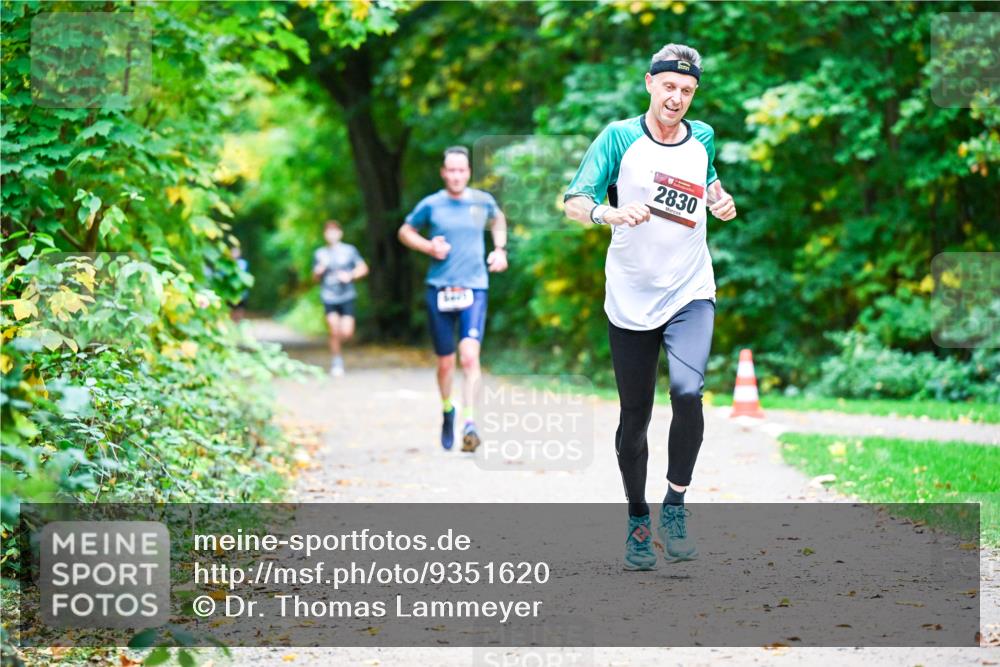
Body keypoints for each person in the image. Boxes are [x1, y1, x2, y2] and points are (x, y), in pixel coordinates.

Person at [563, 43, 738, 570]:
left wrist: (720, 200)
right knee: (634, 416)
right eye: (669, 87)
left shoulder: (702, 136)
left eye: (687, 90)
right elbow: (575, 201)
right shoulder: (618, 137)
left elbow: (707, 183)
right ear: (649, 83)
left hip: (689, 291)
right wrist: (607, 214)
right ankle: (638, 518)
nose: (676, 98)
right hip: (631, 298)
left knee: (687, 392)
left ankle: (675, 506)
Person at [398, 146, 508, 452]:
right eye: (451, 170)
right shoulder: (432, 204)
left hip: (474, 287)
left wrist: (500, 250)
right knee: (446, 363)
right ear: (443, 173)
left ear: (468, 172)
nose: (457, 176)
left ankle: (470, 423)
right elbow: (405, 231)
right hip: (439, 289)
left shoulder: (482, 201)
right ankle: (448, 409)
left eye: (462, 170)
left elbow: (498, 220)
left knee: (470, 356)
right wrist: (428, 247)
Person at [312, 220, 369, 377]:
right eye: (328, 232)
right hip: (328, 296)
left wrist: (350, 275)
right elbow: (314, 279)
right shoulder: (320, 254)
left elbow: (363, 268)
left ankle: (340, 351)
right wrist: (318, 271)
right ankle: (337, 361)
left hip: (347, 296)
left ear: (340, 233)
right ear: (324, 235)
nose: (331, 235)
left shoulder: (349, 251)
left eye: (334, 231)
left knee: (347, 332)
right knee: (333, 329)